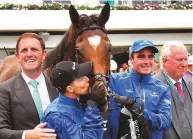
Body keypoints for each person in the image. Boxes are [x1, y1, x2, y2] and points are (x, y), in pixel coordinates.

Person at [107, 39, 171, 139]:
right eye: (141, 56)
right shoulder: (114, 81)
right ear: (131, 59)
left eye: (150, 57)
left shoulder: (162, 88)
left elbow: (166, 121)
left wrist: (141, 113)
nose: (147, 61)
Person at [0, 33, 58, 139]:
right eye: (24, 50)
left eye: (34, 49)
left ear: (44, 54)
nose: (29, 54)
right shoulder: (4, 90)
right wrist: (26, 135)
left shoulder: (58, 87)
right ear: (17, 57)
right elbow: (1, 130)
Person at [42, 61, 104, 139]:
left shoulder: (78, 100)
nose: (87, 79)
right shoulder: (57, 116)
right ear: (70, 88)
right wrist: (92, 106)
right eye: (81, 79)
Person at [155, 41, 192, 139]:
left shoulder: (191, 84)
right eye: (179, 59)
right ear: (165, 61)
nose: (184, 64)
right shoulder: (153, 87)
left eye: (186, 59)